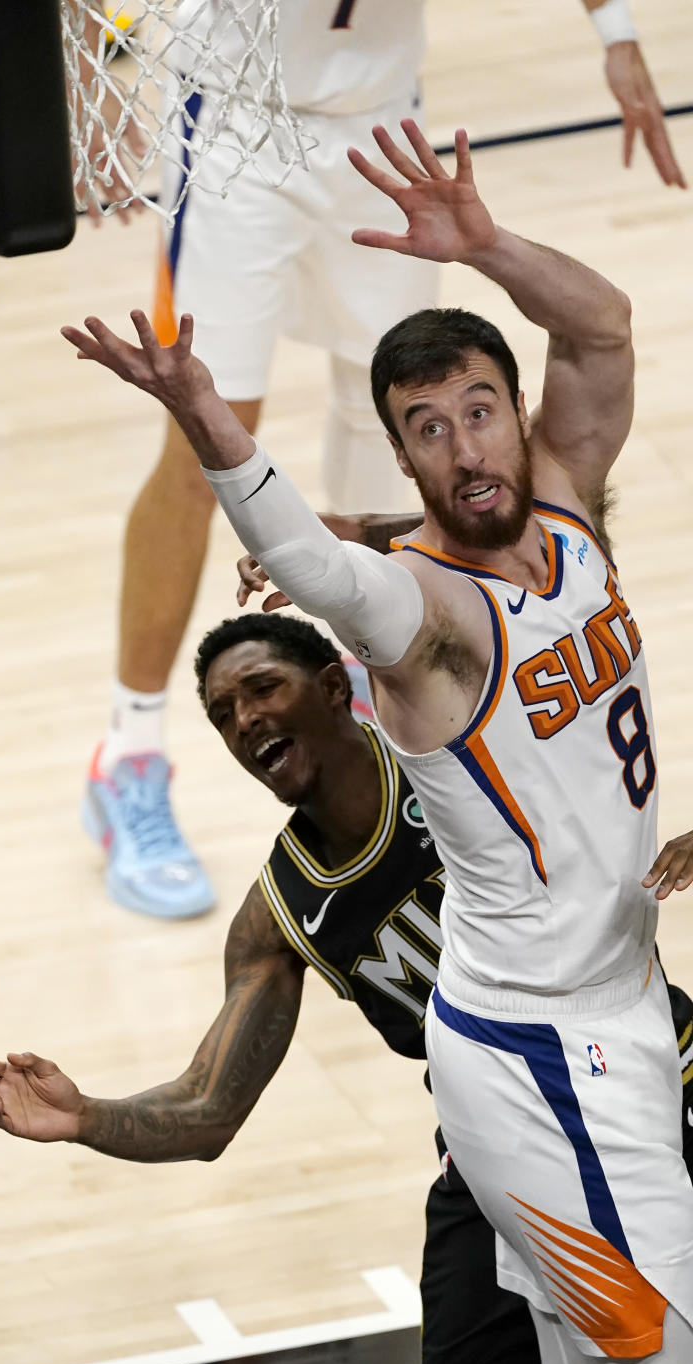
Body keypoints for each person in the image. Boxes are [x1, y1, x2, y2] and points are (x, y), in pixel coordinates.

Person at [58, 119, 693, 1364]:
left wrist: (489, 245)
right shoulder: (427, 618)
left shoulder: (568, 501)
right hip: (542, 1051)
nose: (464, 449)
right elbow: (318, 561)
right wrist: (210, 424)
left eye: (478, 413)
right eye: (426, 430)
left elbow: (608, 330)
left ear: (514, 419)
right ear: (401, 458)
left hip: (616, 1000)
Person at [0, 611, 693, 1364]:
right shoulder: (281, 913)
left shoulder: (456, 763)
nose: (244, 720)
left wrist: (335, 542)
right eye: (222, 714)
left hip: (641, 1075)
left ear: (336, 687)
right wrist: (85, 1117)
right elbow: (209, 1110)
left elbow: (502, 610)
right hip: (496, 1144)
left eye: (262, 689)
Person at [81, 0, 685, 922]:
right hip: (240, 129)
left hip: (379, 127)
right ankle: (128, 755)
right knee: (198, 443)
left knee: (396, 432)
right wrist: (87, 76)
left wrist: (618, 36)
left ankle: (389, 741)